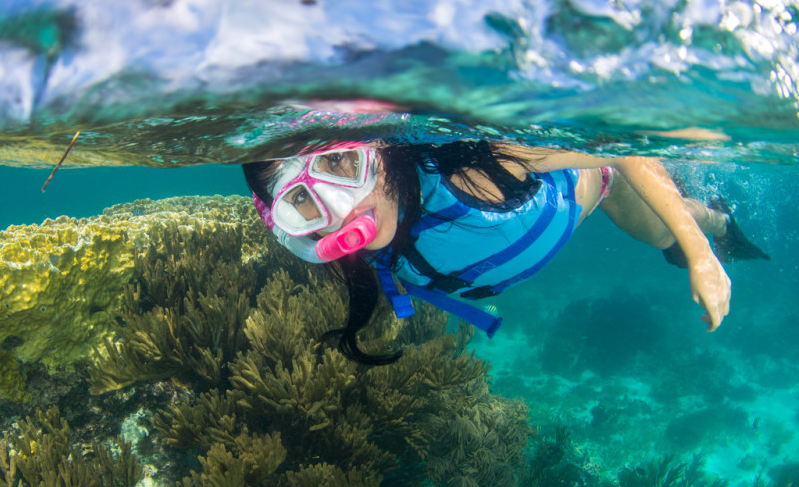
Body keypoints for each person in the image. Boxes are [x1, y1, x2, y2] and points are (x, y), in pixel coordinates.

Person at [243, 137, 769, 365]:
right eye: (303, 204)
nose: (343, 209)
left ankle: (717, 219)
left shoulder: (470, 166)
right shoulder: (362, 253)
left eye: (342, 167)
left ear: (377, 149)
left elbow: (622, 147)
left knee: (669, 234)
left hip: (599, 184)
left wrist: (700, 254)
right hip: (543, 232)